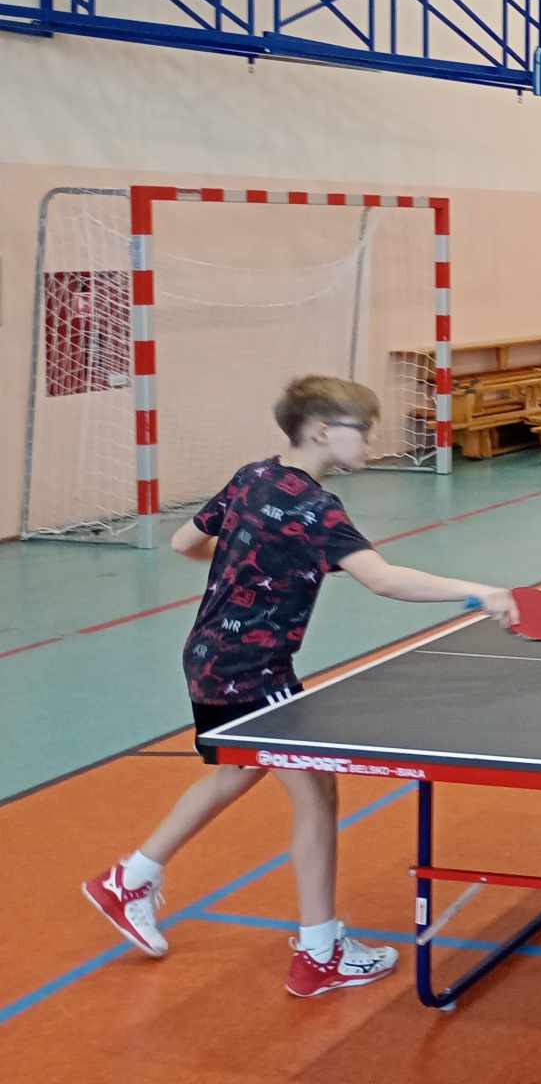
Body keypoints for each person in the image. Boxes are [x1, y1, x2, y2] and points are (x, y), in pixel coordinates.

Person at [82, 376, 515, 996]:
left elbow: (185, 542)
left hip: (207, 655)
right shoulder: (317, 510)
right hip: (252, 670)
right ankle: (319, 952)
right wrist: (481, 594)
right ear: (321, 431)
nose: (370, 441)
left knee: (239, 771)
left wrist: (250, 564)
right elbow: (384, 580)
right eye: (362, 430)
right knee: (316, 794)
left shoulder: (252, 476)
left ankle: (130, 879)